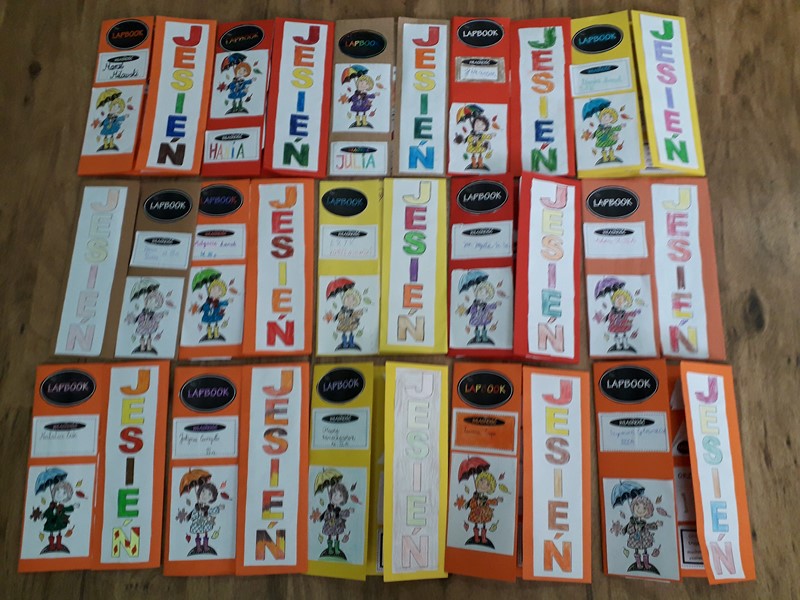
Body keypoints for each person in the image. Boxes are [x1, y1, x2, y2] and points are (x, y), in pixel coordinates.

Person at [463, 471, 503, 545]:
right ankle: (476, 537)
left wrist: (496, 500)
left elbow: (489, 501)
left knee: (484, 524)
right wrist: (476, 501)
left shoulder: (485, 497)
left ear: (490, 488)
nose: (483, 485)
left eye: (487, 484)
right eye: (481, 481)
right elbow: (471, 505)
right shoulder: (475, 497)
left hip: (484, 513)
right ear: (477, 482)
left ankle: (483, 537)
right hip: (476, 513)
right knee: (476, 524)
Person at [40, 480, 78, 553]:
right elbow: (47, 512)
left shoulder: (61, 506)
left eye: (64, 493)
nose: (60, 495)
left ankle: (59, 545)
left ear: (67, 496)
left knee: (59, 532)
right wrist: (43, 515)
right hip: (51, 522)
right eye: (58, 491)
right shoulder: (51, 506)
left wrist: (73, 507)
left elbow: (66, 509)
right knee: (51, 533)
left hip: (59, 522)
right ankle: (51, 546)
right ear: (54, 492)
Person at [186, 482, 224, 555]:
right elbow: (193, 517)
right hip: (198, 524)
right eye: (203, 492)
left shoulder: (207, 508)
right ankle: (198, 547)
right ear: (199, 492)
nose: (204, 495)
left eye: (209, 494)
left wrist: (218, 508)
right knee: (198, 534)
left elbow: (211, 511)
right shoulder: (197, 508)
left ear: (212, 498)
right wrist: (198, 513)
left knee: (206, 533)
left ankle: (205, 546)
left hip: (206, 523)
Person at [126, 288, 167, 354]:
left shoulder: (152, 313)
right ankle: (142, 346)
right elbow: (139, 317)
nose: (150, 303)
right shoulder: (143, 312)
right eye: (148, 301)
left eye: (154, 303)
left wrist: (161, 315)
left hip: (150, 325)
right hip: (143, 325)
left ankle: (149, 346)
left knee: (149, 335)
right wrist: (140, 319)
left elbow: (156, 316)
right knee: (142, 335)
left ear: (157, 305)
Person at [318, 482, 352, 559]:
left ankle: (336, 548)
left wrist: (348, 511)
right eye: (335, 494)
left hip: (337, 524)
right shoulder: (329, 508)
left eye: (340, 495)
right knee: (329, 534)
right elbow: (325, 515)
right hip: (329, 524)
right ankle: (330, 548)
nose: (337, 497)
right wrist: (328, 515)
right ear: (331, 495)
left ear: (343, 498)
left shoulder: (338, 509)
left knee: (337, 534)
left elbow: (343, 513)